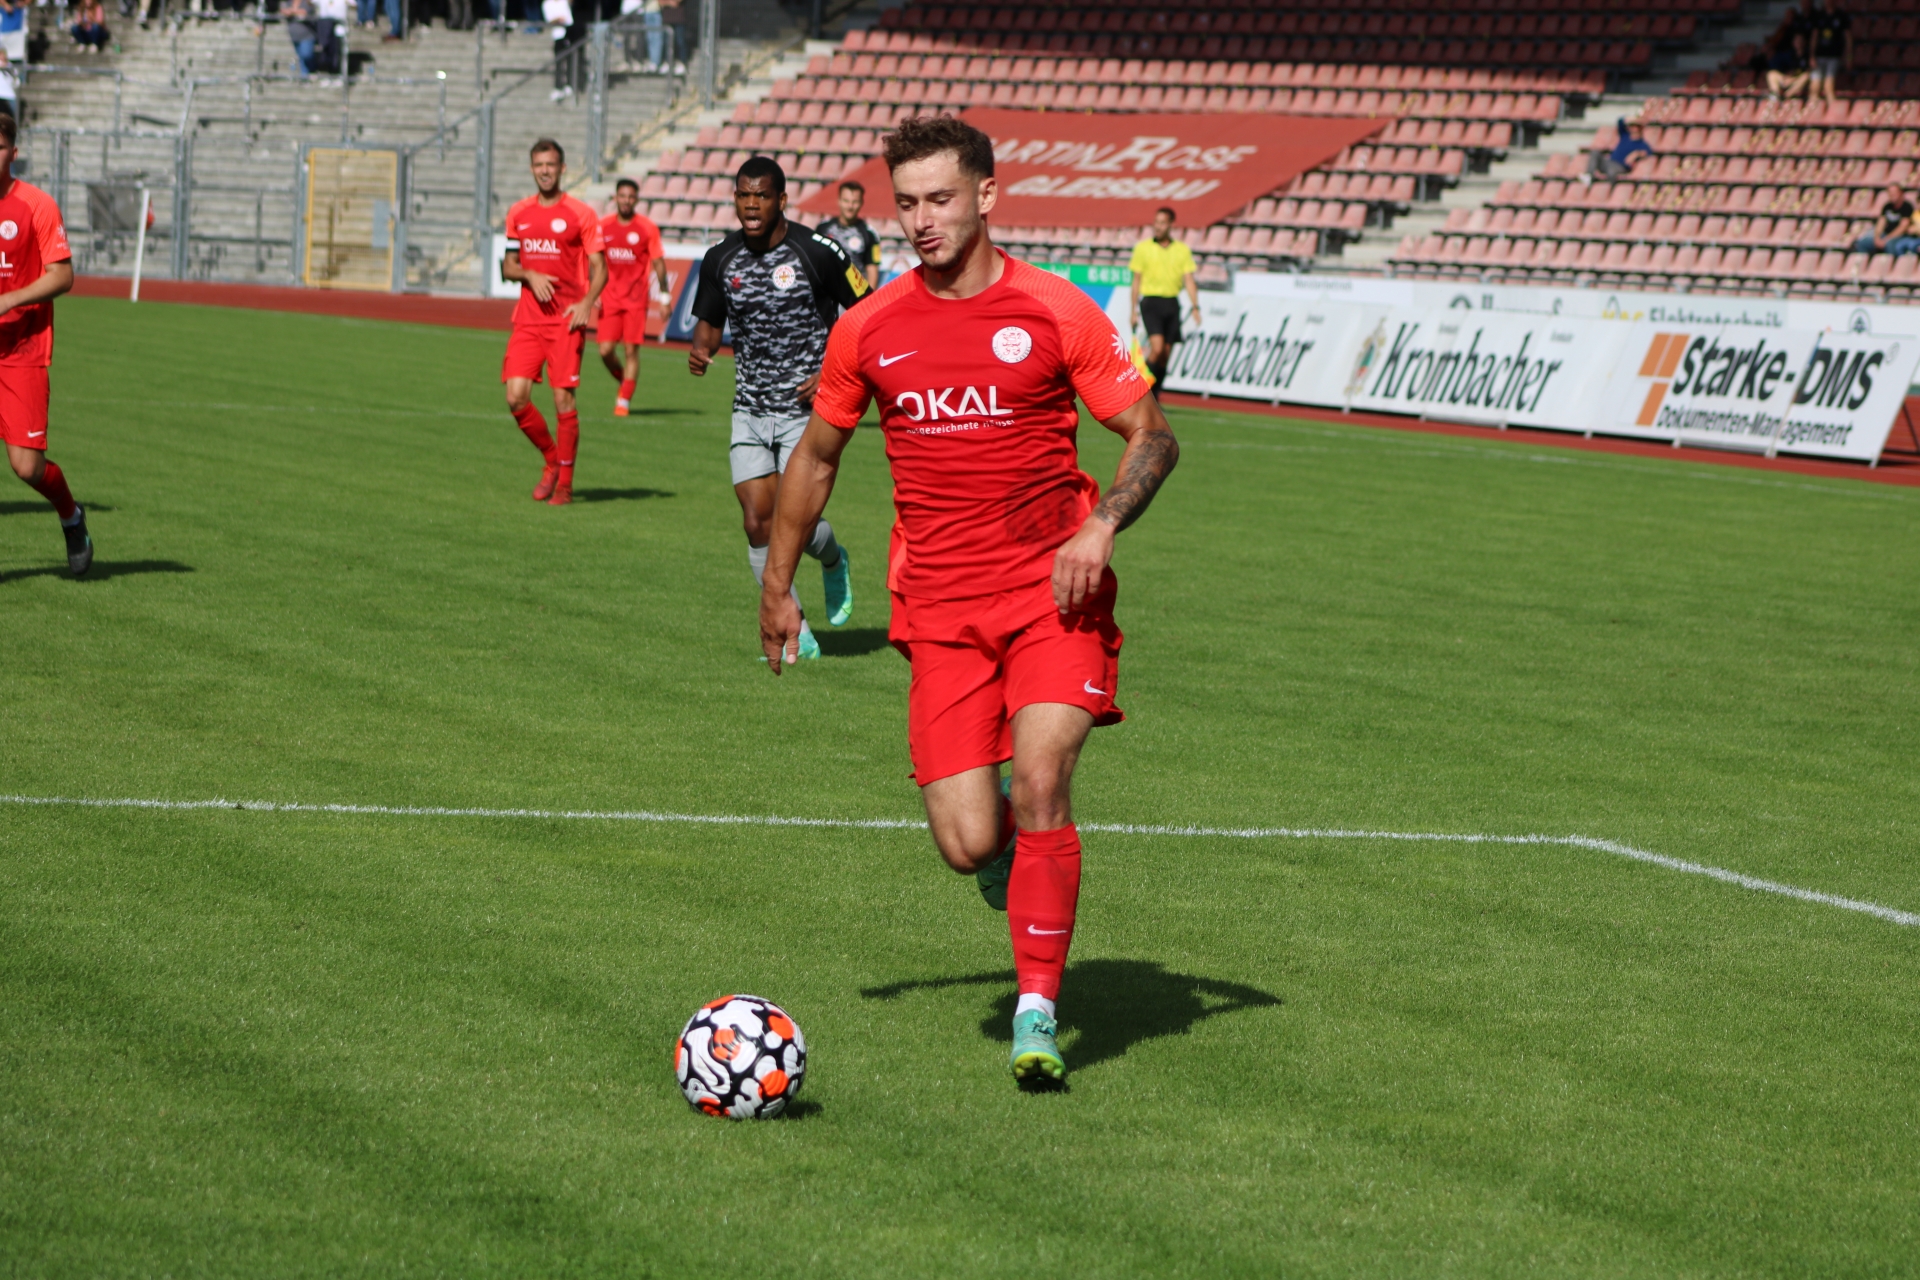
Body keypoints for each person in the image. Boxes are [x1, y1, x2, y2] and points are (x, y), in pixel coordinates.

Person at [757, 115, 1178, 1085]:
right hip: (942, 608)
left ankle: (1038, 1011)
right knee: (966, 841)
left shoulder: (1056, 308)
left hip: (1053, 595)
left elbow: (1152, 435)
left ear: (987, 195)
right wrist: (777, 587)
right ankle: (1003, 859)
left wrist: (1100, 525)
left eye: (940, 199)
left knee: (1041, 779)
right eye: (906, 203)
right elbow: (815, 459)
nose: (921, 220)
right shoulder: (870, 325)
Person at [687, 156, 865, 660]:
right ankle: (798, 628)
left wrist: (830, 370)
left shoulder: (818, 251)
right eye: (743, 195)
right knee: (756, 522)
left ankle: (833, 559)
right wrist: (701, 349)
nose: (751, 204)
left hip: (805, 413)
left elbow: (867, 315)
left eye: (761, 195)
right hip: (748, 408)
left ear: (781, 200)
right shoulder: (720, 258)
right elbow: (708, 325)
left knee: (796, 524)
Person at [0, 115, 91, 575]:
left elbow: (63, 275)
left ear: (13, 153)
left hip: (22, 350)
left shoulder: (37, 205)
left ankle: (71, 516)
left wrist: (9, 299)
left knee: (27, 468)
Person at [501, 138, 607, 507]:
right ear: (532, 169)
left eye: (550, 165)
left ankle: (565, 486)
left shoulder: (581, 214)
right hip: (529, 320)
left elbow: (601, 269)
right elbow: (508, 266)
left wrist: (586, 303)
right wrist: (528, 274)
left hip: (566, 321)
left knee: (563, 400)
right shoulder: (519, 212)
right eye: (538, 165)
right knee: (515, 397)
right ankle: (551, 459)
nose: (544, 171)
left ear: (562, 169)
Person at [596, 177, 668, 416]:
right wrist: (591, 289)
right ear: (615, 198)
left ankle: (624, 400)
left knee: (630, 351)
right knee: (605, 350)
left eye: (630, 197)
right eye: (622, 196)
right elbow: (593, 260)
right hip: (609, 298)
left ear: (636, 200)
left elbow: (659, 263)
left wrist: (665, 298)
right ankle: (624, 380)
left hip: (636, 300)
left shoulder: (647, 228)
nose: (626, 201)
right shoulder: (603, 226)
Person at [1128, 206, 1201, 397]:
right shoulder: (1143, 248)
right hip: (1151, 302)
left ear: (1170, 225)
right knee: (1157, 348)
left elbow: (1189, 280)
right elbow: (1136, 281)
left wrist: (1195, 306)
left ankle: (1155, 396)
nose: (1157, 227)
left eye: (1162, 223)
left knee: (1166, 354)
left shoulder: (1182, 250)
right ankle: (1139, 391)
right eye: (1156, 222)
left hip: (1171, 303)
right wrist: (1133, 310)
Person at [815, 180, 883, 290]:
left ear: (861, 203)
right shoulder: (823, 229)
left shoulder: (869, 234)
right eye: (846, 201)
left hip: (855, 294)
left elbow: (872, 270)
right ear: (839, 201)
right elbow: (814, 261)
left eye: (855, 202)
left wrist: (870, 298)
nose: (850, 206)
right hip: (827, 292)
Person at [1800, 0, 1852, 104]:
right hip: (1819, 55)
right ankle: (1812, 110)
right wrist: (1812, 56)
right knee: (1814, 86)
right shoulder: (1819, 16)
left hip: (1834, 56)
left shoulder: (1841, 16)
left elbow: (1848, 38)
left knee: (1828, 86)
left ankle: (1832, 110)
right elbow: (1814, 37)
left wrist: (1849, 56)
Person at [1582, 117, 1653, 184]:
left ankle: (1609, 188)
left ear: (1640, 128)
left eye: (1635, 126)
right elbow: (1620, 121)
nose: (1632, 128)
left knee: (1612, 172)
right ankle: (1589, 177)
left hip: (1621, 166)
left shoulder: (1642, 144)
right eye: (1631, 126)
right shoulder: (1625, 136)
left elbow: (1648, 152)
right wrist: (1630, 118)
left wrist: (1636, 154)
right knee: (1595, 152)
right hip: (1610, 162)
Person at [1853, 183, 1918, 255]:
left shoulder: (1907, 207)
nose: (1892, 194)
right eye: (1890, 192)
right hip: (1885, 235)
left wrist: (1887, 239)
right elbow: (1881, 223)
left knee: (1890, 245)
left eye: (1894, 192)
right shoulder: (1887, 206)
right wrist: (1877, 237)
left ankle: (1889, 261)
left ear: (1901, 193)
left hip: (1900, 236)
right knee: (1862, 243)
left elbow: (1903, 227)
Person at [283, 0, 318, 78]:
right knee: (301, 56)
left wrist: (292, 11)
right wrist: (294, 12)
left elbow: (304, 13)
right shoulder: (289, 2)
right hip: (294, 36)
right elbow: (283, 10)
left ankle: (311, 71)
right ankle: (304, 76)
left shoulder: (308, 2)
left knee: (306, 54)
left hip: (307, 35)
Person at [659, 0, 687, 75]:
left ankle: (682, 62)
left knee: (680, 41)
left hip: (679, 19)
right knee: (667, 42)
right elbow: (660, 2)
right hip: (667, 19)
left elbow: (677, 2)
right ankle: (668, 62)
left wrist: (669, 2)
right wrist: (669, 2)